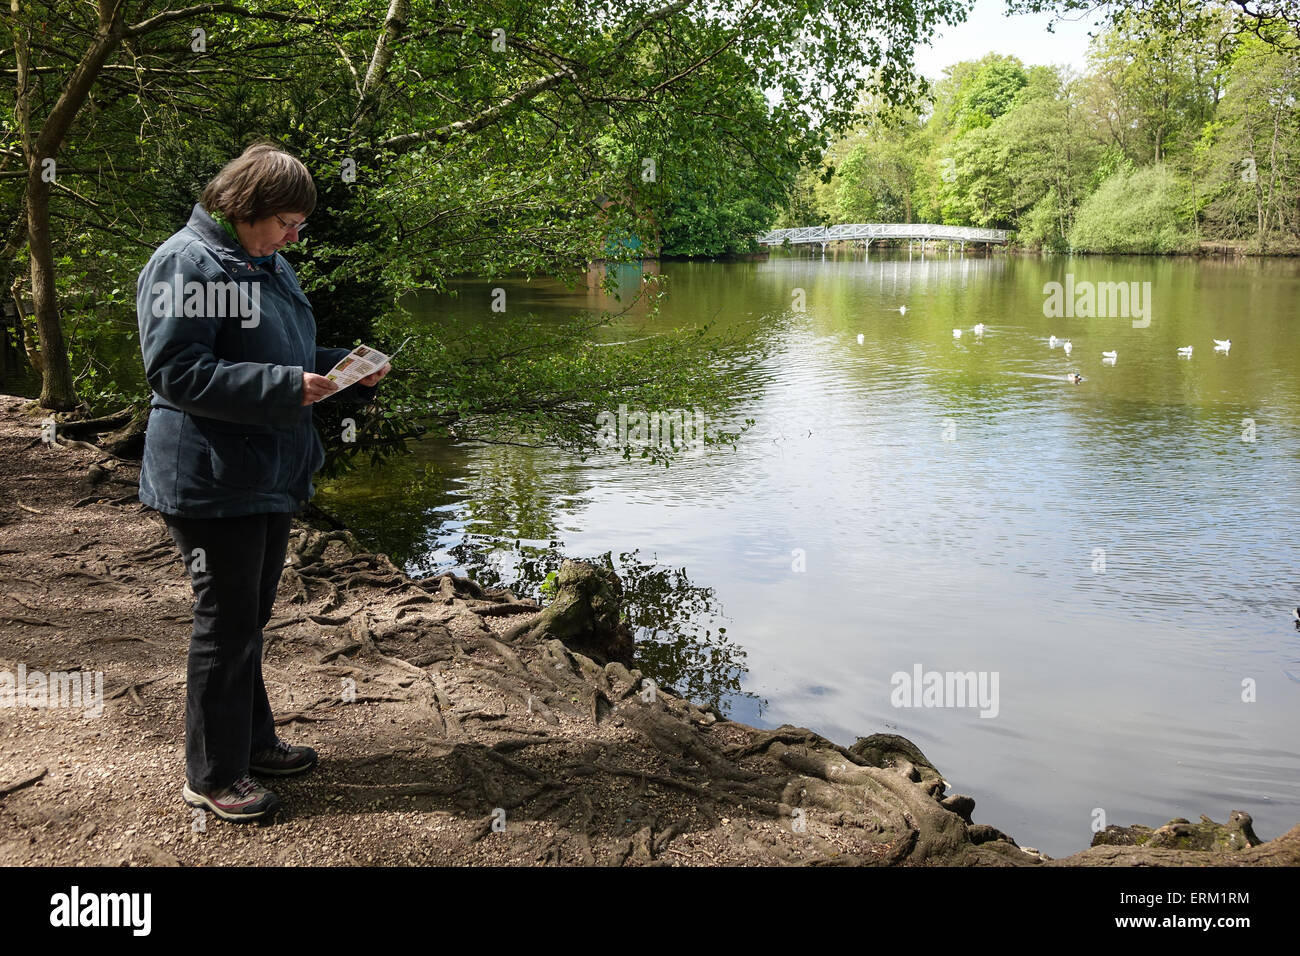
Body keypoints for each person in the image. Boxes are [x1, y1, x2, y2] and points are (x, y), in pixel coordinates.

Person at [135, 142, 390, 822]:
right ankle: (214, 776)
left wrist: (344, 370)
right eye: (286, 221)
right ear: (244, 207)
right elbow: (176, 372)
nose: (294, 235)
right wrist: (284, 386)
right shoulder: (186, 263)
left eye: (298, 224)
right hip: (209, 477)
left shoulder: (262, 262)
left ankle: (251, 742)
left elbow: (289, 357)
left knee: (248, 618)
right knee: (225, 621)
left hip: (262, 470)